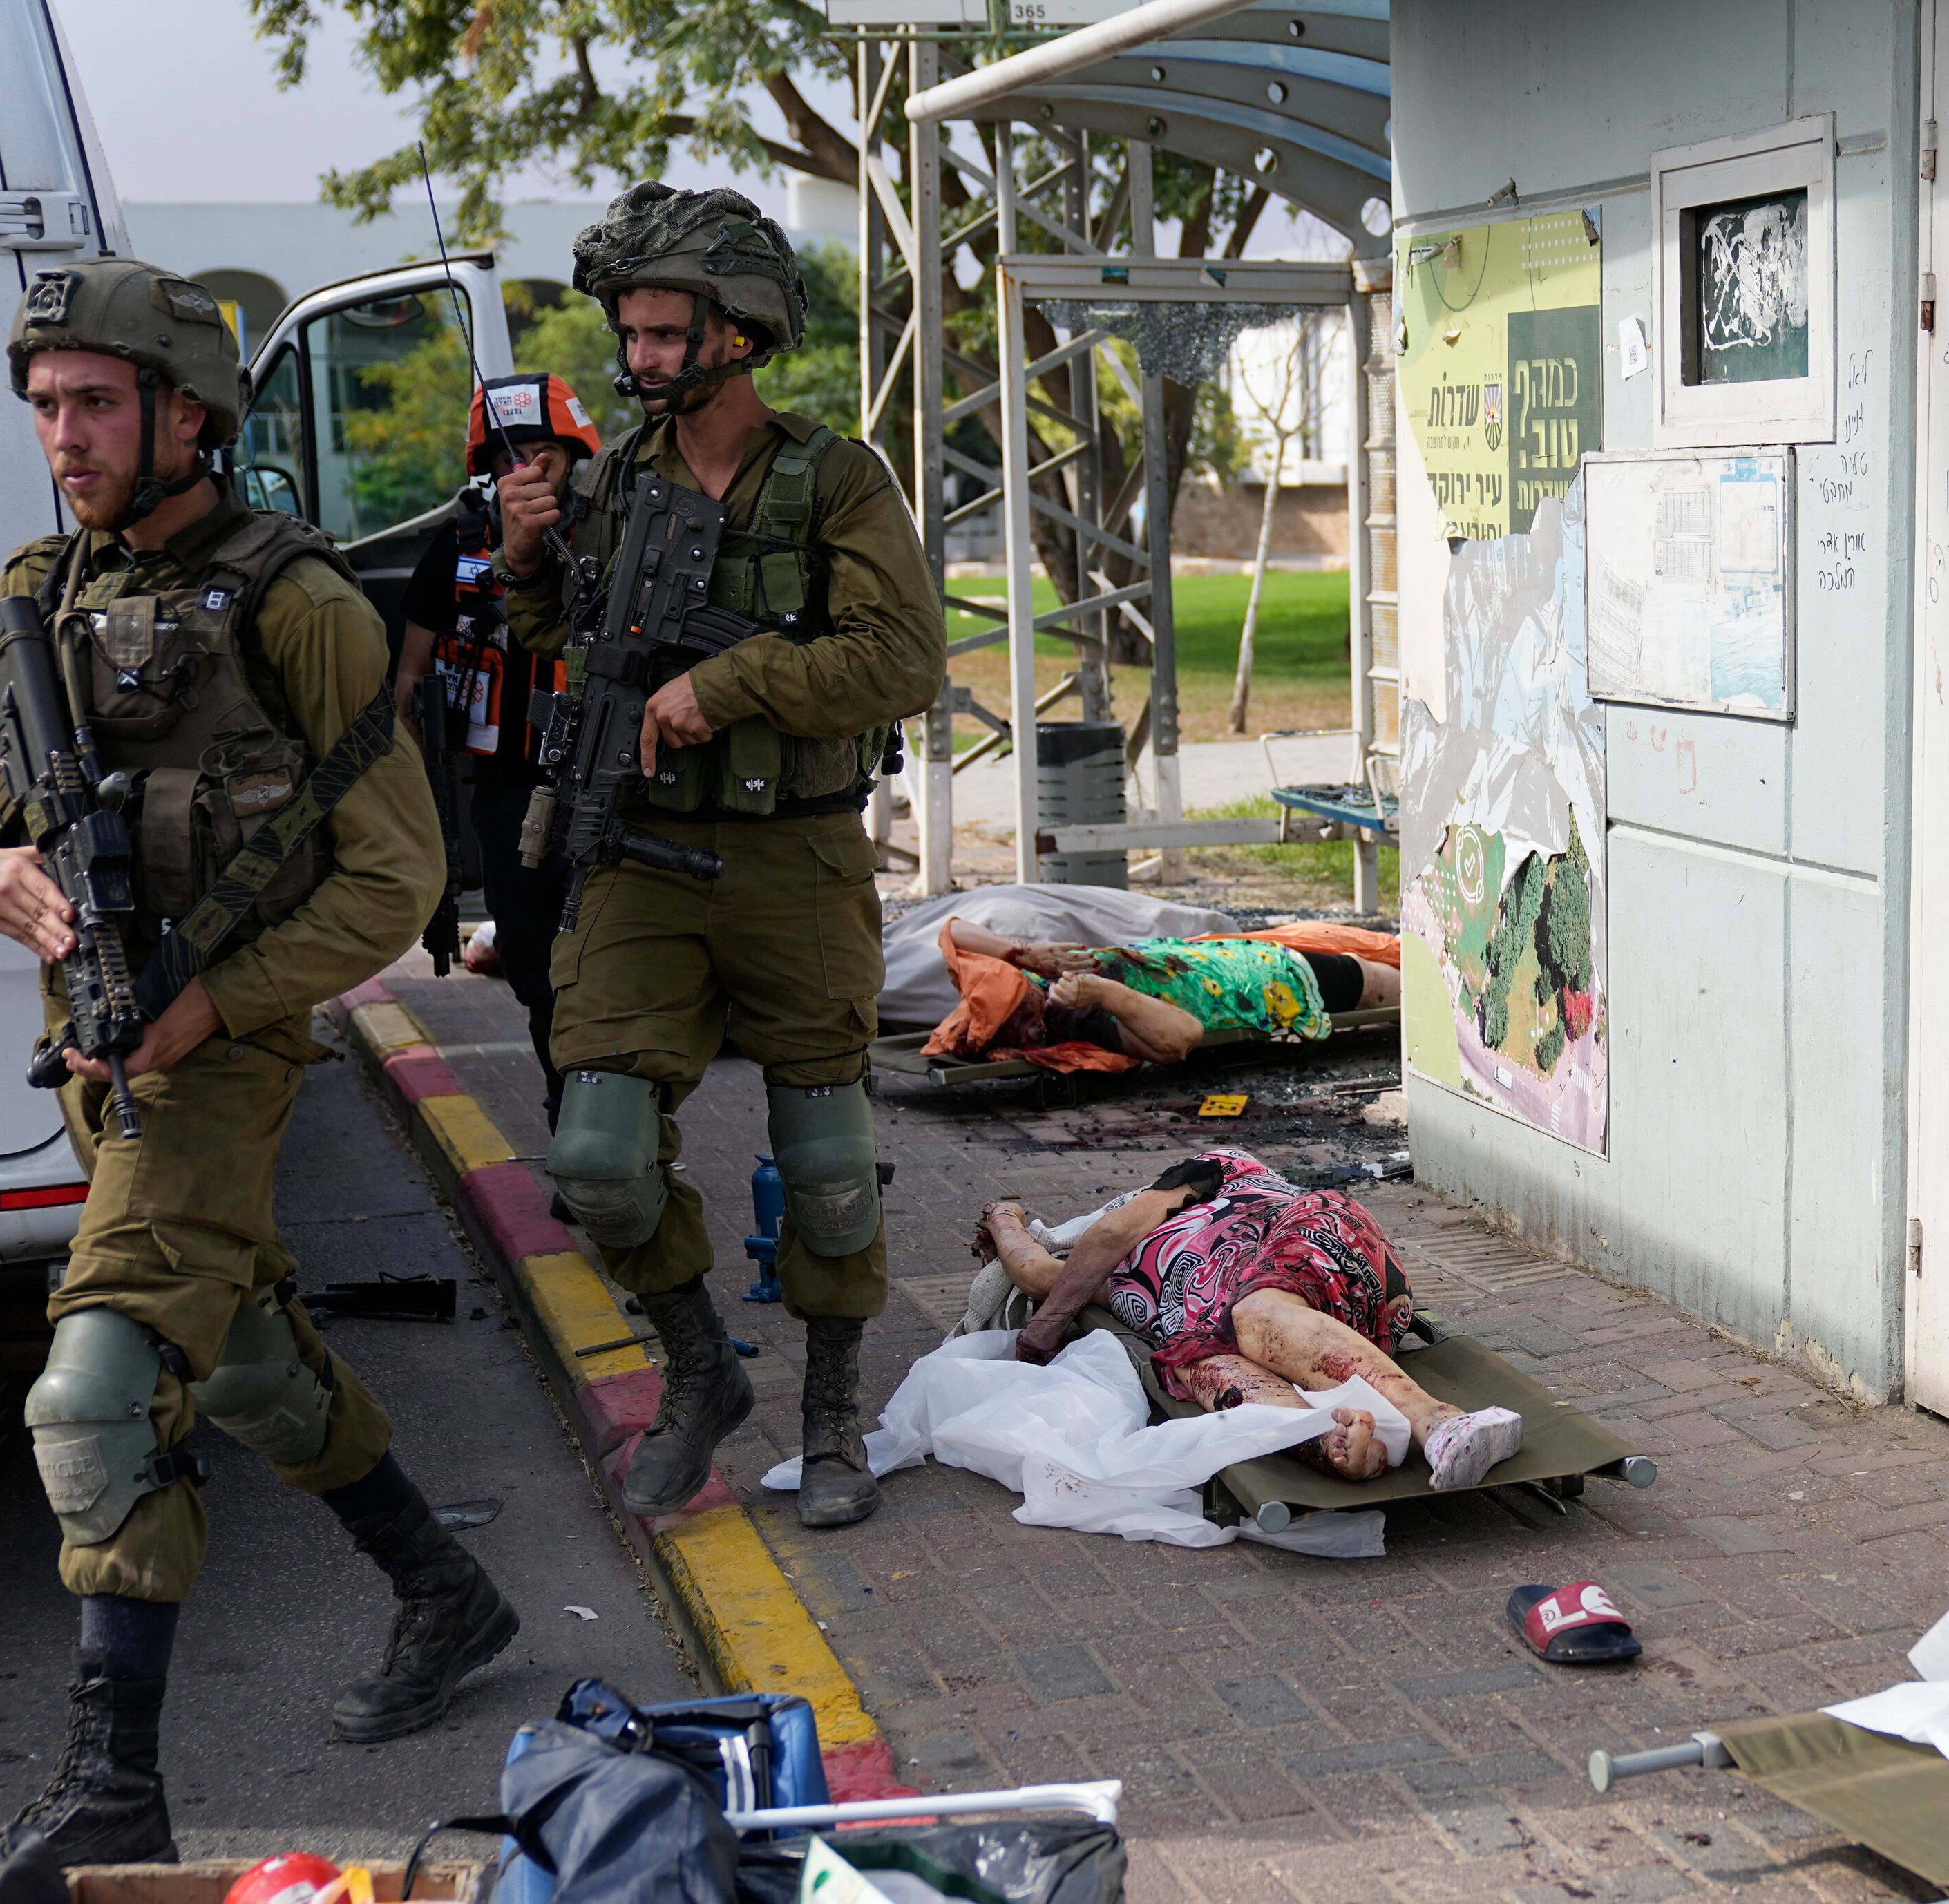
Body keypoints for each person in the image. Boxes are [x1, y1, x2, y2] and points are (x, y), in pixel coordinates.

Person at [0, 260, 512, 1865]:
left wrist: (220, 1001)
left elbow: (397, 877)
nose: (61, 432)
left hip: (219, 1053)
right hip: (98, 1052)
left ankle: (114, 1785)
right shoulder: (27, 599)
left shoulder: (298, 603)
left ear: (185, 414)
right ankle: (445, 1588)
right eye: (47, 402)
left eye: (95, 403)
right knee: (252, 1357)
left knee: (94, 1396)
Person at [497, 185, 938, 1534]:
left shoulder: (835, 478)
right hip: (637, 856)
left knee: (826, 1160)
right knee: (596, 1157)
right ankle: (700, 1369)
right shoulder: (618, 485)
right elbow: (552, 634)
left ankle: (832, 1410)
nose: (635, 358)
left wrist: (731, 682)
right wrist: (526, 558)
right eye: (627, 333)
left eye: (660, 332)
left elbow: (905, 658)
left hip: (796, 858)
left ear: (737, 334)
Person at [971, 1152, 1527, 1488]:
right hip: (1230, 1327)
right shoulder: (1095, 1277)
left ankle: (1440, 1423)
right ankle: (1340, 1444)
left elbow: (1112, 1232)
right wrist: (1002, 1216)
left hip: (1314, 1241)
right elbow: (1035, 1269)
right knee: (1198, 1370)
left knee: (1257, 1313)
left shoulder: (1213, 1174)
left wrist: (1038, 1338)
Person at [394, 373, 600, 1128]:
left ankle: (605, 1129)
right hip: (507, 791)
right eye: (516, 458)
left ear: (574, 456)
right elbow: (408, 685)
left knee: (609, 968)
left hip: (608, 783)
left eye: (548, 455)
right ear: (488, 464)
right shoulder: (455, 547)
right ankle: (570, 1110)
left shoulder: (610, 536)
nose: (532, 471)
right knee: (534, 961)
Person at [940, 917, 1397, 1065]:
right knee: (1395, 986)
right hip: (1271, 983)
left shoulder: (1025, 979)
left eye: (1027, 1009)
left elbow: (951, 930)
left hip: (1224, 955)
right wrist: (1102, 993)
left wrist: (1019, 953)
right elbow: (1183, 1037)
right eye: (1019, 1029)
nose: (1034, 1026)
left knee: (1395, 959)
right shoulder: (1081, 1016)